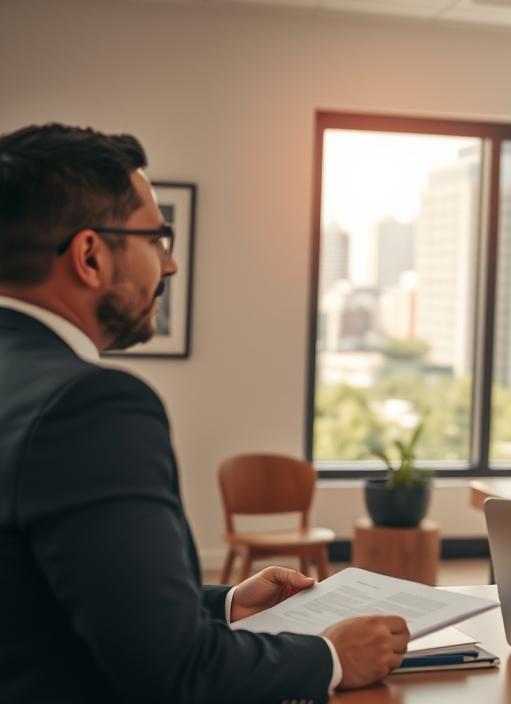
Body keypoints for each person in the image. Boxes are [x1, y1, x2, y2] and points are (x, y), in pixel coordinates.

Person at [0, 124, 408, 703]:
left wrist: (225, 604)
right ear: (90, 255)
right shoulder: (90, 409)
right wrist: (331, 657)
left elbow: (42, 597)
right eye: (156, 238)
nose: (167, 266)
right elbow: (174, 673)